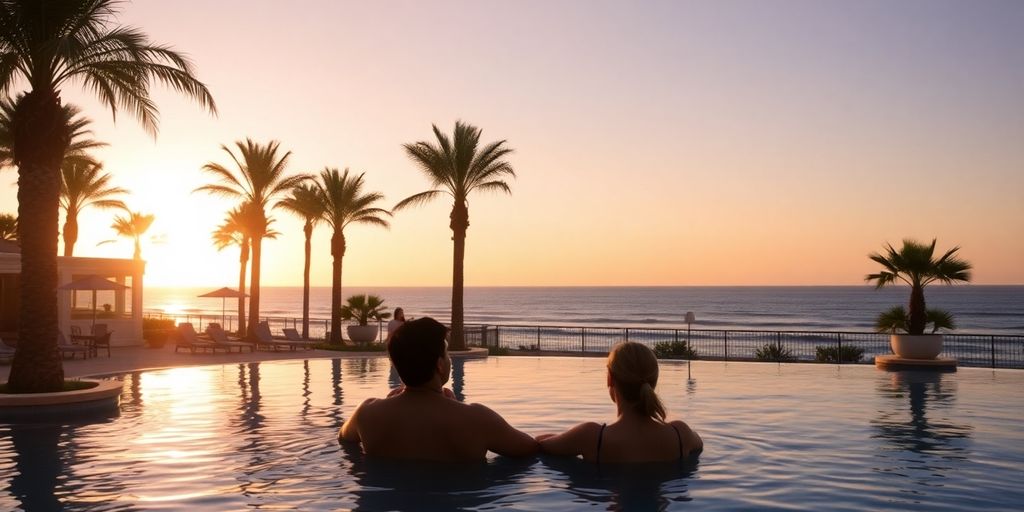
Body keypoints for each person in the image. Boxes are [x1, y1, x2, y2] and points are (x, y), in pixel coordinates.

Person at [338, 317, 538, 461]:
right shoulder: (476, 419)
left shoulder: (367, 413)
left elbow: (344, 438)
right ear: (440, 365)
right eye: (447, 353)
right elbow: (528, 448)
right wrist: (456, 408)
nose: (450, 359)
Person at [535, 341, 702, 464]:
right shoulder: (681, 434)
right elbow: (699, 445)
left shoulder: (591, 437)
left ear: (610, 379)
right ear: (654, 382)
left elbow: (542, 445)